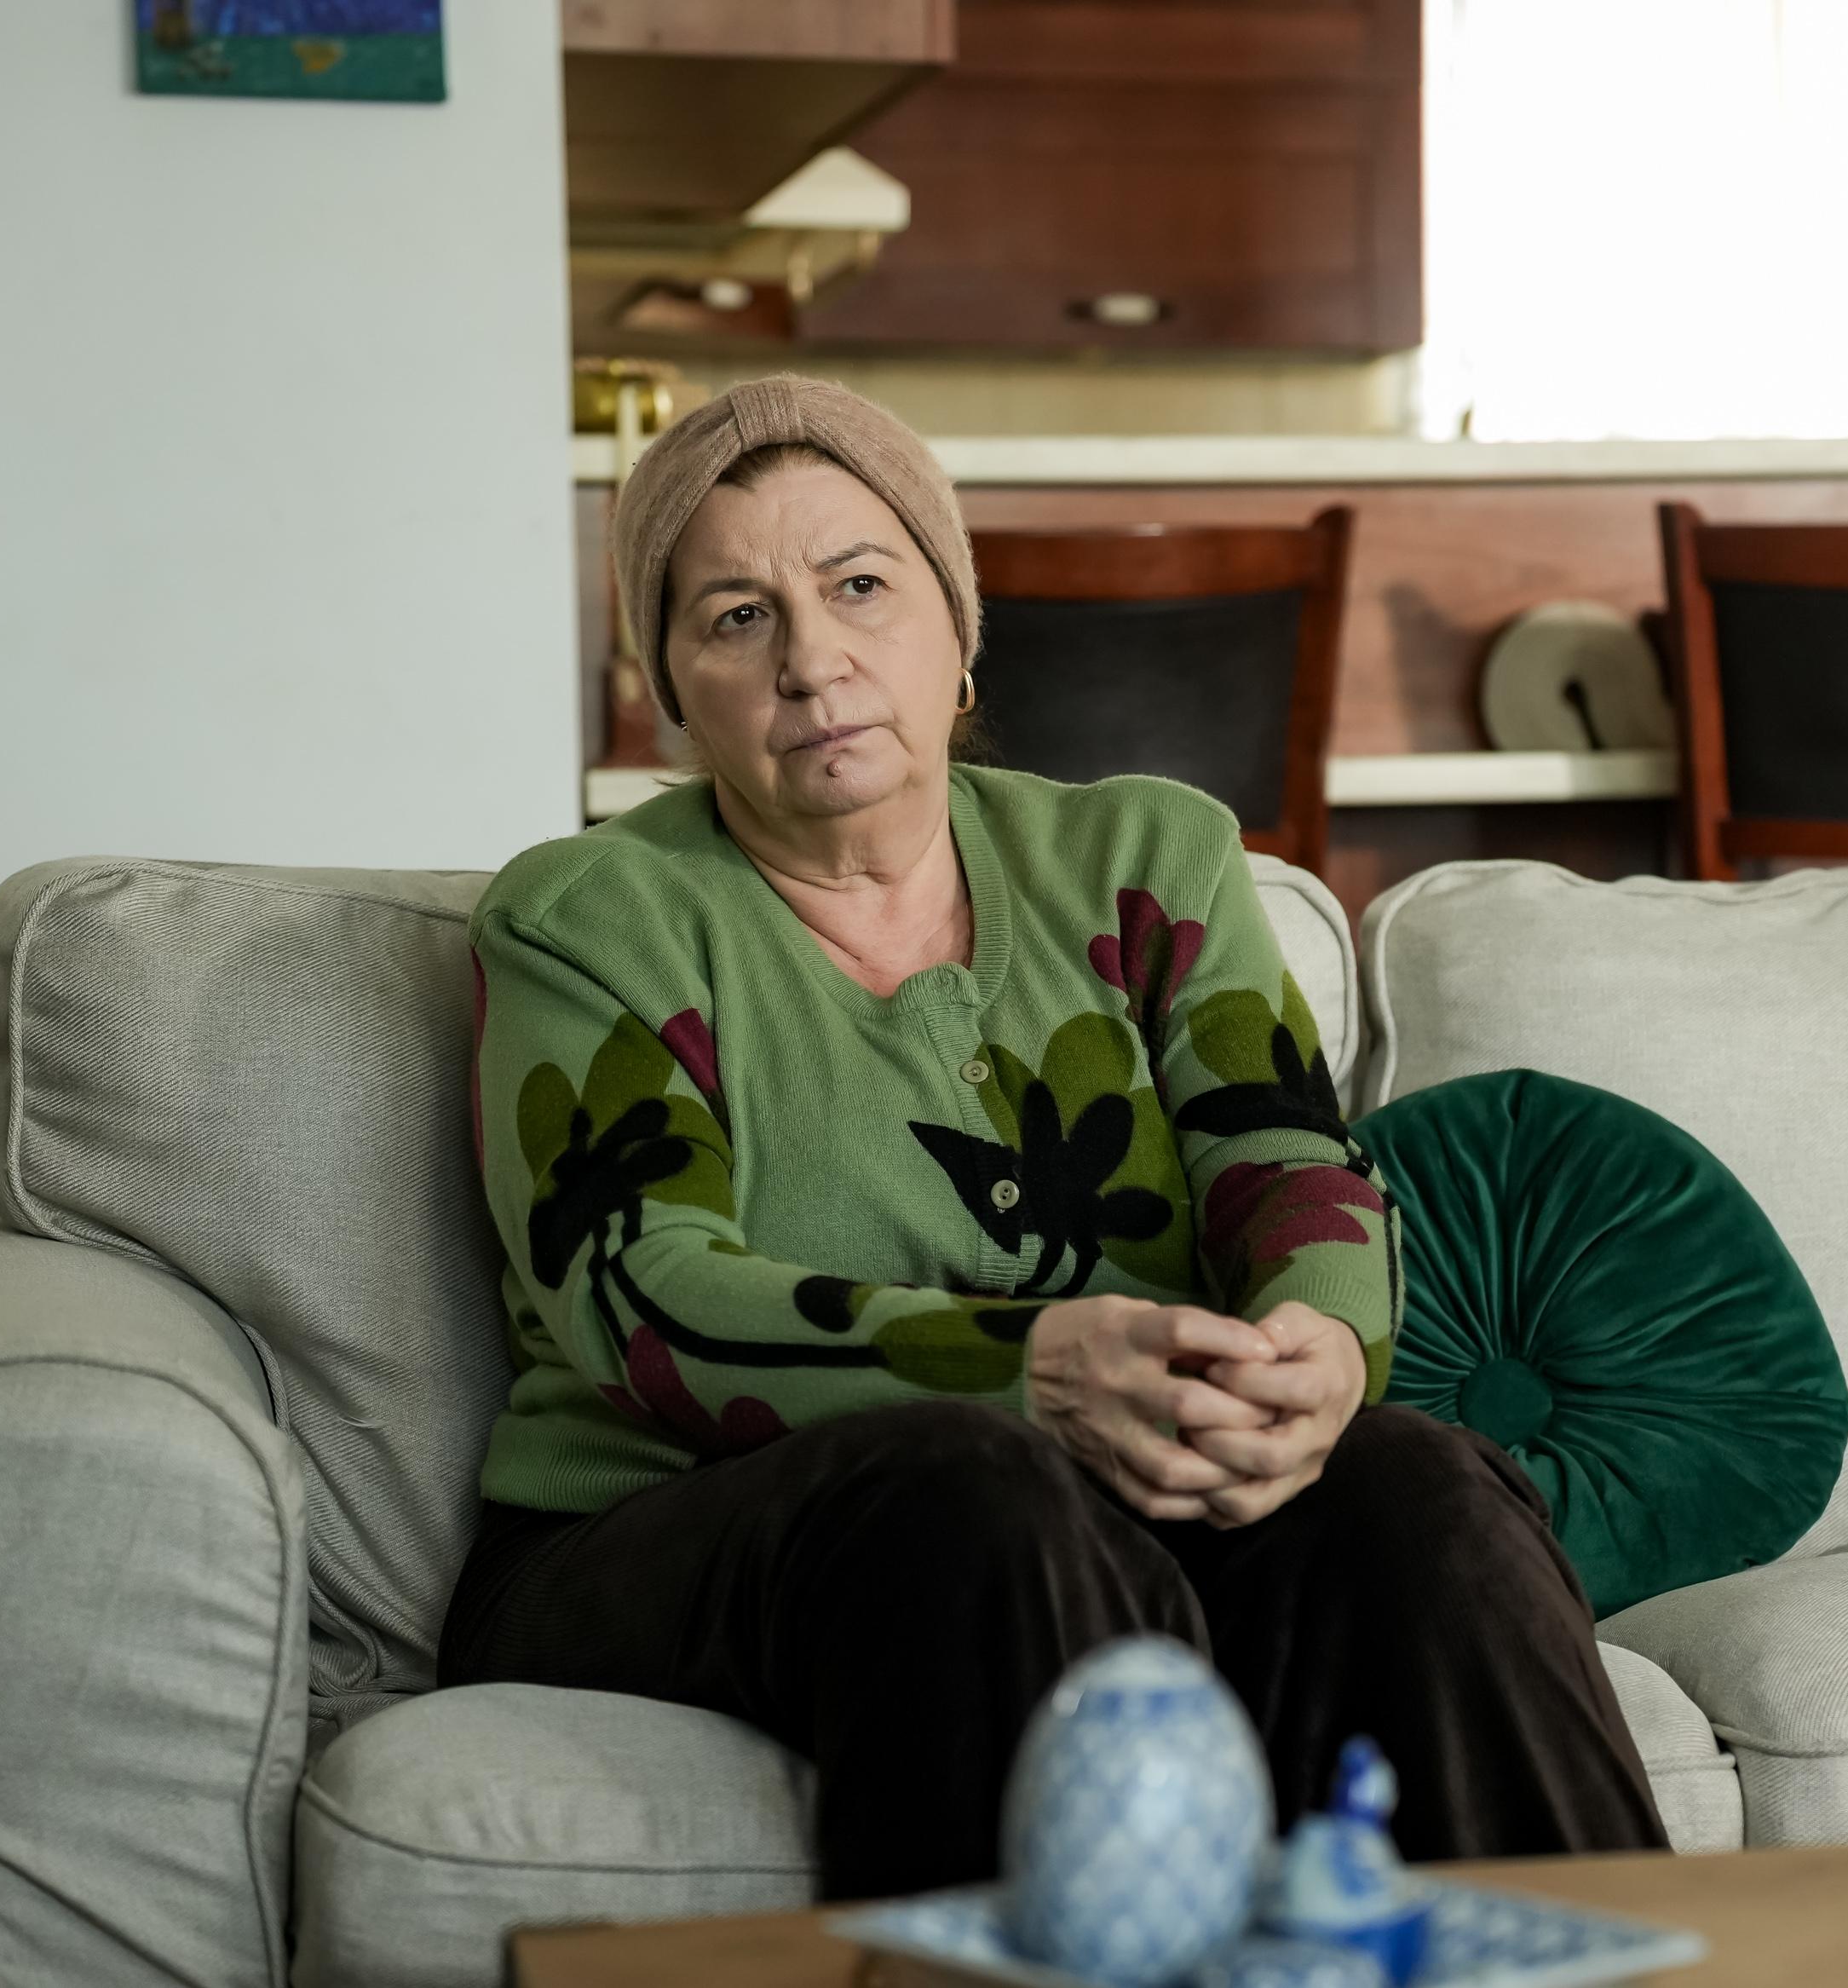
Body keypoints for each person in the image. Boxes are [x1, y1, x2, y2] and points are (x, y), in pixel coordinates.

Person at [435, 374, 1665, 1899]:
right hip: (660, 1528)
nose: (812, 660)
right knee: (968, 1485)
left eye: (860, 586)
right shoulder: (584, 918)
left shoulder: (1148, 856)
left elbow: (1292, 1165)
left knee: (1417, 1486)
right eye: (737, 617)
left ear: (957, 633)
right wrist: (1032, 1370)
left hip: (1111, 1500)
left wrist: (1318, 1355)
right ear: (676, 688)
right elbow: (643, 1297)